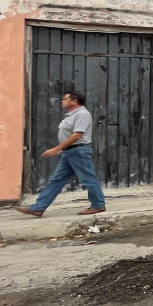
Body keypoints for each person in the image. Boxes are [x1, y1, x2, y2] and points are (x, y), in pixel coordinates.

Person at [16, 89, 106, 217]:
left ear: (74, 101)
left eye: (65, 99)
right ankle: (38, 208)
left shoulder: (82, 114)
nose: (62, 101)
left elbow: (77, 135)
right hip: (69, 152)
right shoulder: (71, 114)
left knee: (88, 179)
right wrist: (63, 148)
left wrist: (57, 148)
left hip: (79, 151)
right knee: (56, 180)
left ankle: (98, 205)